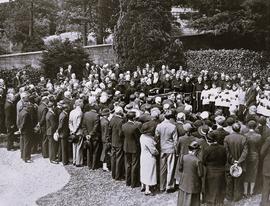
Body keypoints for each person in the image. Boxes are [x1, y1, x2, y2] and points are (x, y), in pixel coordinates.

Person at [224, 122, 248, 202]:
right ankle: (237, 197)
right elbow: (245, 152)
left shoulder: (227, 138)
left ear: (232, 129)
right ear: (239, 129)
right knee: (238, 181)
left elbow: (226, 152)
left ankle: (229, 197)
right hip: (240, 163)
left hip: (229, 163)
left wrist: (232, 160)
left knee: (229, 181)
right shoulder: (243, 138)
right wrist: (238, 161)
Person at [155, 110, 178, 192]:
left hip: (162, 148)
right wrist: (176, 150)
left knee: (162, 168)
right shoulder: (173, 126)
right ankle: (169, 186)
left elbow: (156, 137)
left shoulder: (159, 126)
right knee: (170, 168)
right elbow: (175, 141)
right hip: (171, 149)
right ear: (171, 117)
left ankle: (162, 186)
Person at [203, 132, 227, 206]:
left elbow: (203, 161)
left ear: (208, 140)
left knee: (210, 188)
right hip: (221, 171)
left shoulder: (207, 149)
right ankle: (220, 202)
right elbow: (225, 160)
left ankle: (211, 202)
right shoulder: (223, 148)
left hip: (210, 171)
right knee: (220, 187)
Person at [177, 141, 203, 206]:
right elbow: (200, 174)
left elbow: (180, 169)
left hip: (183, 182)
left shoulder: (183, 157)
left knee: (182, 199)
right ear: (195, 150)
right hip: (193, 184)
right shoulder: (197, 161)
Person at [122, 111, 141, 188]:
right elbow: (138, 138)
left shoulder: (123, 126)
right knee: (134, 165)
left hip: (126, 147)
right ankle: (134, 183)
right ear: (134, 118)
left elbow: (121, 135)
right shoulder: (135, 127)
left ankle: (128, 181)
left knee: (128, 165)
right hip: (134, 148)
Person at [140, 121, 159, 196]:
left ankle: (143, 185)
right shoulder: (148, 139)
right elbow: (153, 151)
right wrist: (157, 152)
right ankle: (148, 189)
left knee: (144, 171)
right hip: (149, 158)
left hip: (143, 155)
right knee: (149, 172)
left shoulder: (142, 136)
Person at [244, 120, 262, 197]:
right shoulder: (258, 136)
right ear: (255, 126)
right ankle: (251, 191)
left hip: (247, 156)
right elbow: (259, 147)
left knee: (246, 173)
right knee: (253, 173)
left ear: (248, 126)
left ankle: (245, 191)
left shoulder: (244, 135)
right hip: (255, 155)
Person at [82, 103, 101, 170]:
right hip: (95, 136)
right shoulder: (97, 115)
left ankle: (89, 165)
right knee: (95, 151)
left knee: (88, 150)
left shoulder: (85, 114)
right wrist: (91, 134)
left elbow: (83, 126)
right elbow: (96, 127)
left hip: (87, 136)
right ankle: (94, 165)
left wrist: (86, 134)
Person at [109, 106, 125, 180]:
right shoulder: (121, 121)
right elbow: (120, 133)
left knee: (113, 158)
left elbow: (110, 130)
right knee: (119, 159)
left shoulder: (112, 119)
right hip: (119, 141)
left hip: (113, 140)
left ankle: (113, 174)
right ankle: (118, 175)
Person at [69, 99, 84, 167]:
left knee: (74, 146)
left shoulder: (72, 112)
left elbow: (70, 122)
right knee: (79, 147)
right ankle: (78, 162)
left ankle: (74, 161)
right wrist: (75, 131)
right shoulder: (80, 112)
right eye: (82, 103)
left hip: (72, 132)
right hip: (78, 132)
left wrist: (72, 131)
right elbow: (79, 123)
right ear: (79, 104)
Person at [260, 134, 270, 206]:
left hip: (268, 165)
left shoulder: (269, 139)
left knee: (266, 184)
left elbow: (262, 152)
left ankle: (264, 202)